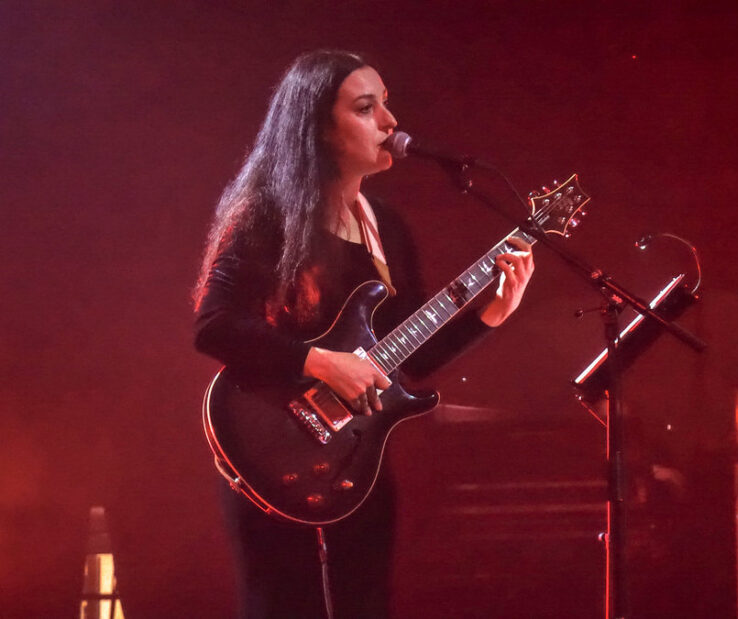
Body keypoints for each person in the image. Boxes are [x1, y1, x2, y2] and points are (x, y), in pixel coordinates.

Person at [192, 50, 534, 619]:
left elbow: (411, 362)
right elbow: (215, 325)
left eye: (386, 103)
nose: (391, 122)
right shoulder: (266, 218)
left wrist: (492, 312)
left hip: (355, 463)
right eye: (366, 108)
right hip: (271, 453)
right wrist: (321, 363)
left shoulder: (388, 229)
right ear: (317, 130)